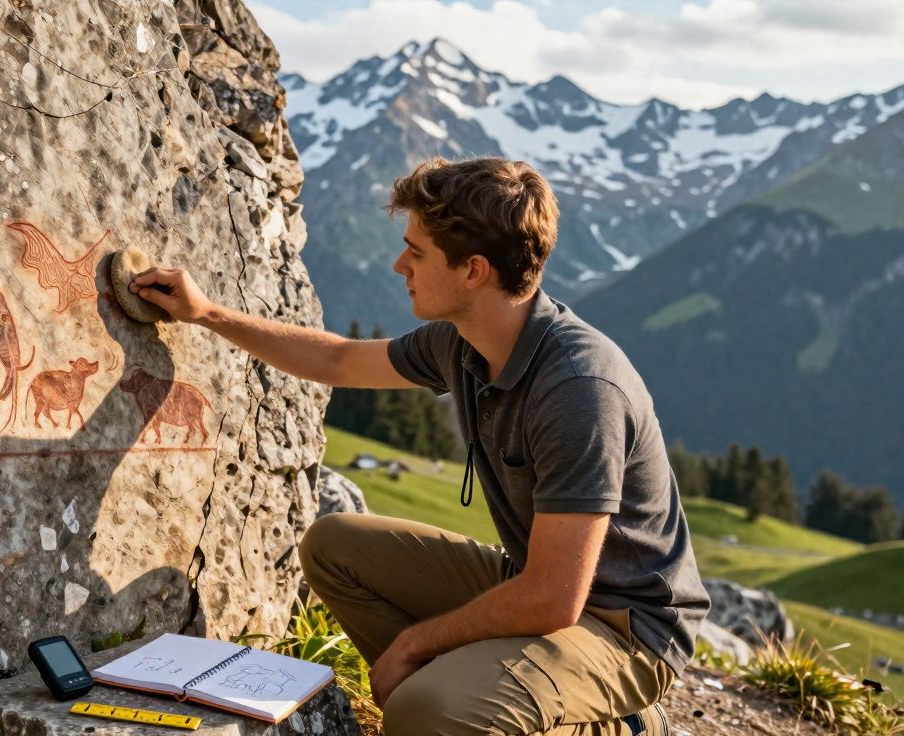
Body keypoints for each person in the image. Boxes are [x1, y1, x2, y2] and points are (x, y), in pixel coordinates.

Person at [129, 156, 709, 736]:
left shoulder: (579, 390)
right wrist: (205, 313)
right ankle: (476, 694)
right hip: (537, 584)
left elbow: (554, 601)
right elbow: (337, 359)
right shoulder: (462, 343)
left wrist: (414, 643)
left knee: (424, 710)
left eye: (418, 252)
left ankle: (616, 724)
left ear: (473, 271)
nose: (399, 264)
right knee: (336, 545)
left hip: (624, 630)